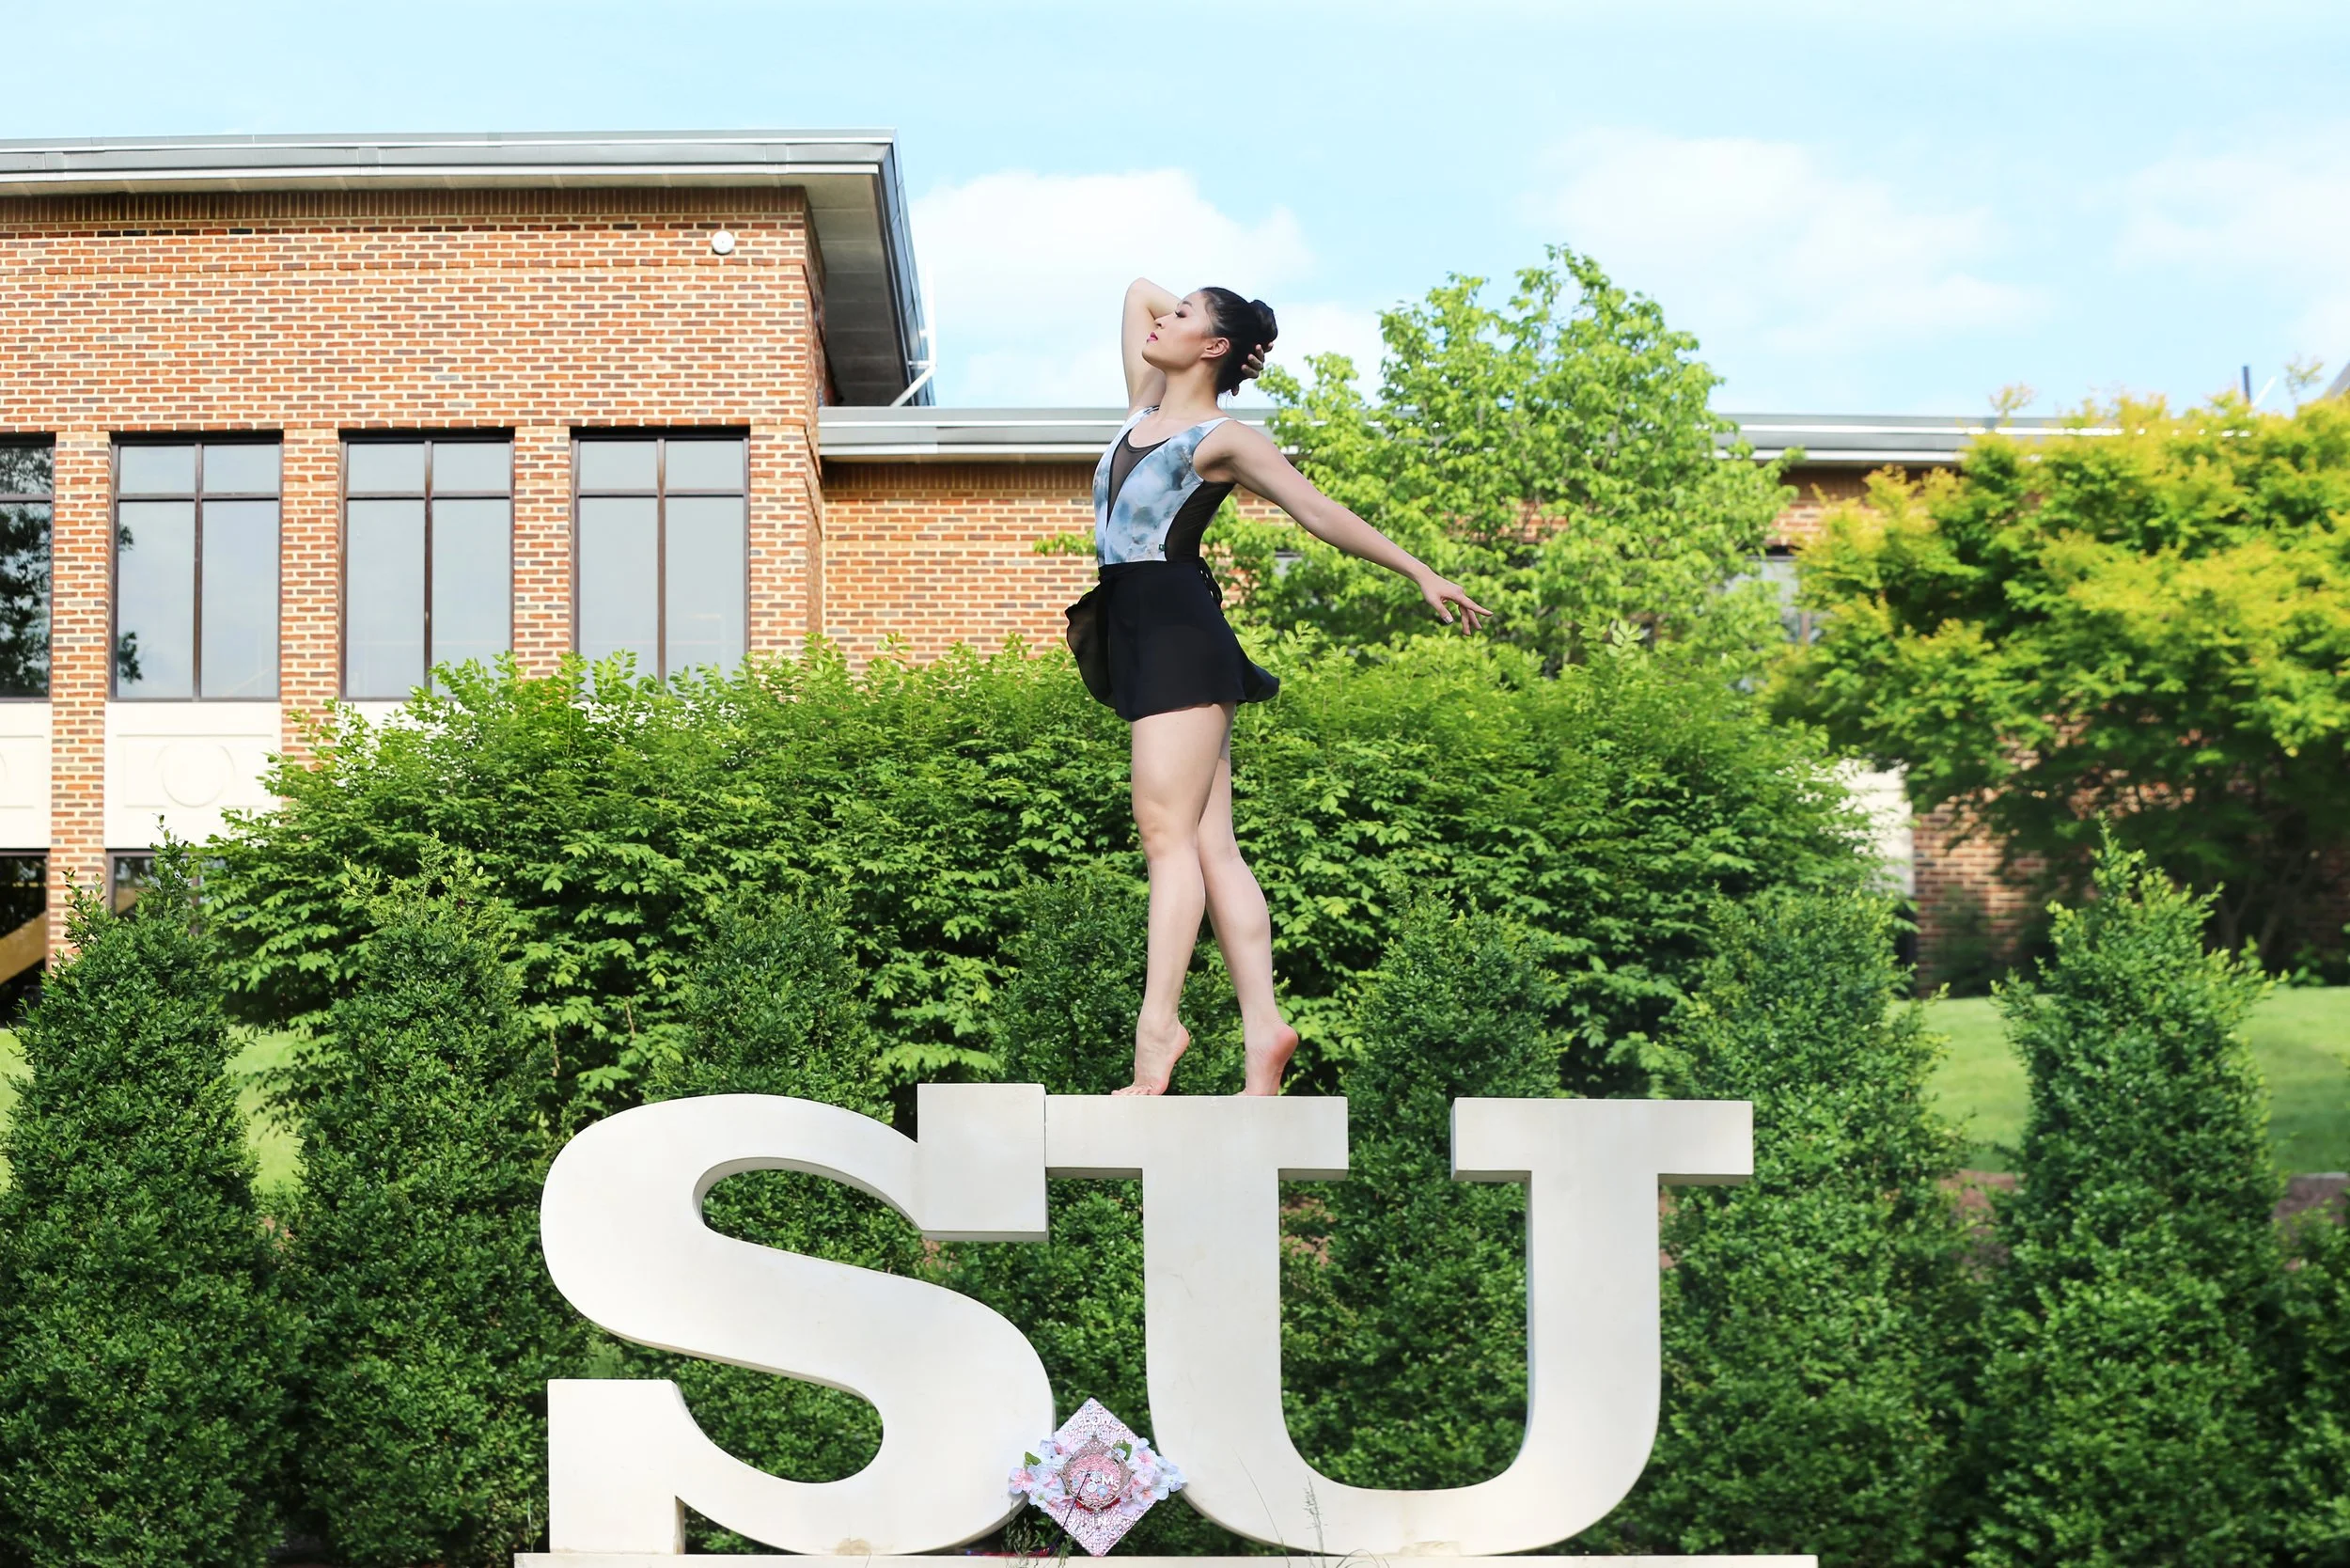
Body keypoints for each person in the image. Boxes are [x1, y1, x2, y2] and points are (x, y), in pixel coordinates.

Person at [1083, 277, 1490, 1097]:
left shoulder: (1221, 438)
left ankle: (1158, 1034)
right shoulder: (1143, 403)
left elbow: (1319, 511)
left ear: (1212, 348)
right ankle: (1265, 1028)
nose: (1162, 320)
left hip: (1174, 633)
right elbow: (1137, 292)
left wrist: (1418, 571)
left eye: (1186, 317)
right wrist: (1227, 324)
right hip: (1140, 626)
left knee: (1166, 837)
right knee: (1207, 842)